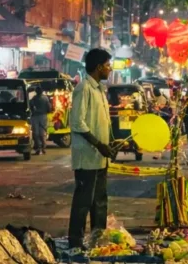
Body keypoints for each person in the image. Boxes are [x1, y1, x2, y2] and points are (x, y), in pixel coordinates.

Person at [68, 48, 114, 249]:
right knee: (83, 202)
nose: (109, 69)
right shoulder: (83, 88)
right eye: (107, 65)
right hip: (87, 156)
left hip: (100, 157)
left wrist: (109, 143)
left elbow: (103, 121)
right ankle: (75, 241)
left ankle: (98, 239)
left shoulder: (100, 90)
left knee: (100, 202)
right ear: (98, 67)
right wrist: (98, 144)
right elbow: (78, 123)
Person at [30, 85, 52, 155]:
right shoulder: (45, 98)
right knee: (40, 133)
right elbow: (49, 108)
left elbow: (31, 106)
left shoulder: (35, 98)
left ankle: (40, 147)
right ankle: (42, 147)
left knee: (37, 133)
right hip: (41, 116)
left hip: (37, 117)